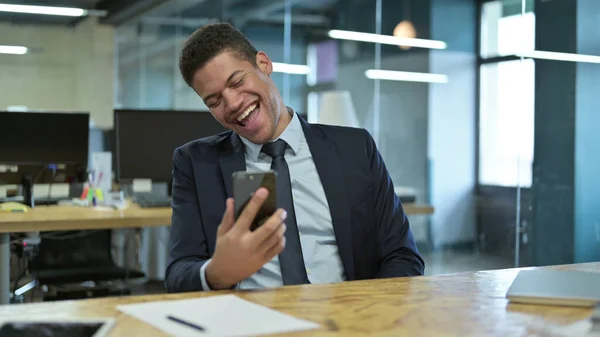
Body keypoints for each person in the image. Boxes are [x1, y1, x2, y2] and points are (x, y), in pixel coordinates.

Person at [165, 22, 424, 292]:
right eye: (215, 101)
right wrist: (216, 272)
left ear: (263, 64)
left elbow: (402, 255)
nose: (232, 104)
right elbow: (178, 273)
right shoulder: (195, 163)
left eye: (237, 82)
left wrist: (368, 316)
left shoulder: (356, 149)